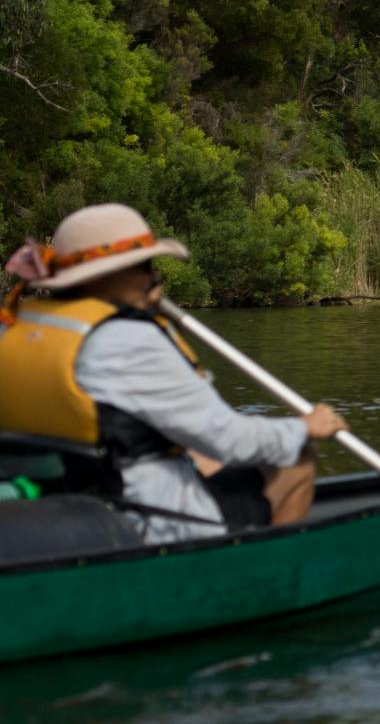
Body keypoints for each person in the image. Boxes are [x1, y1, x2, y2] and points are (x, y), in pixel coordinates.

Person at [0, 203, 347, 542]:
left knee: (203, 455)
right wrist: (303, 427)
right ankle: (264, 578)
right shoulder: (129, 337)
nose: (153, 275)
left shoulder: (19, 325)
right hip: (141, 515)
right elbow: (230, 440)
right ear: (108, 274)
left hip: (59, 493)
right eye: (144, 265)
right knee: (297, 458)